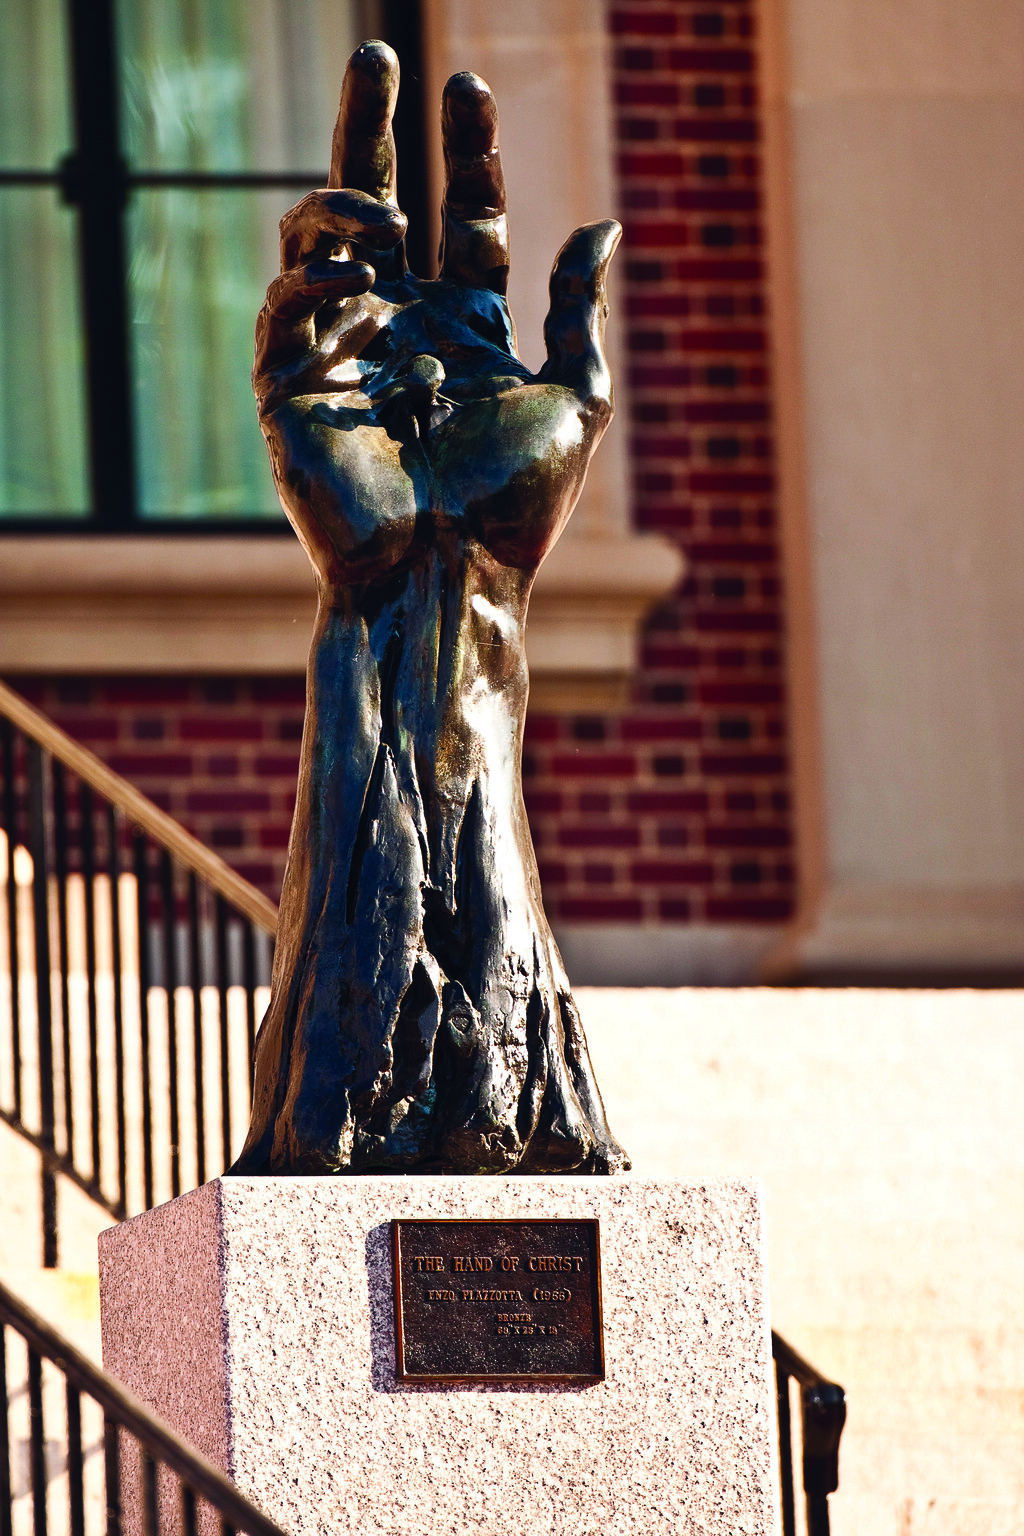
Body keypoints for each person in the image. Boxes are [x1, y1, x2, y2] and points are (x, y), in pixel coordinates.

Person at [232, 40, 629, 1176]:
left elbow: (447, 549)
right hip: (367, 839)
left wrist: (484, 499)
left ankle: (488, 1099)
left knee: (498, 1083)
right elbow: (371, 539)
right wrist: (307, 416)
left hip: (476, 821)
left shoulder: (511, 454)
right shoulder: (359, 488)